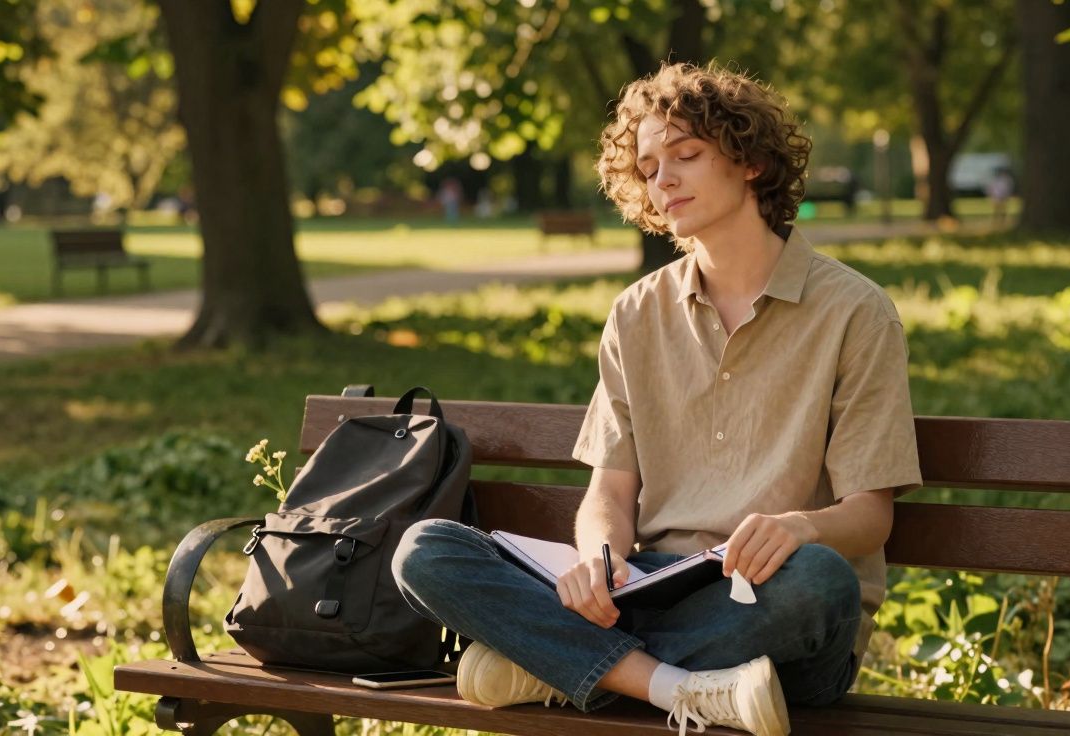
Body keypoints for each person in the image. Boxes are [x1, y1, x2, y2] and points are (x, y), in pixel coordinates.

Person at [393, 62, 922, 736]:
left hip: (771, 609)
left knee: (823, 581)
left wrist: (799, 527)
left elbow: (870, 517)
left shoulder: (856, 312)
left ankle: (559, 668)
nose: (663, 179)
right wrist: (600, 558)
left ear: (752, 161)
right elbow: (610, 496)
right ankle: (673, 687)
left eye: (687, 155)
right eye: (647, 167)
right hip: (646, 591)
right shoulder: (636, 313)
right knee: (425, 550)